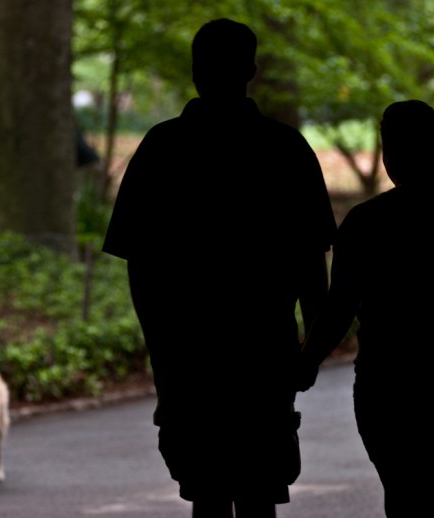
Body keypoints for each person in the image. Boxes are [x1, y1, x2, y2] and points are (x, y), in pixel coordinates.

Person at [102, 18, 336, 518]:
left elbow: (140, 271)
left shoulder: (162, 149)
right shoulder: (285, 149)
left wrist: (160, 355)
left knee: (205, 494)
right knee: (259, 492)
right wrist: (309, 352)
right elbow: (313, 267)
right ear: (250, 71)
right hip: (264, 353)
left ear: (194, 71)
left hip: (189, 357)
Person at [293, 99, 434, 518]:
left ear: (389, 154)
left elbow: (339, 308)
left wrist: (307, 360)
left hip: (388, 386)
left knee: (402, 496)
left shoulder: (366, 224)